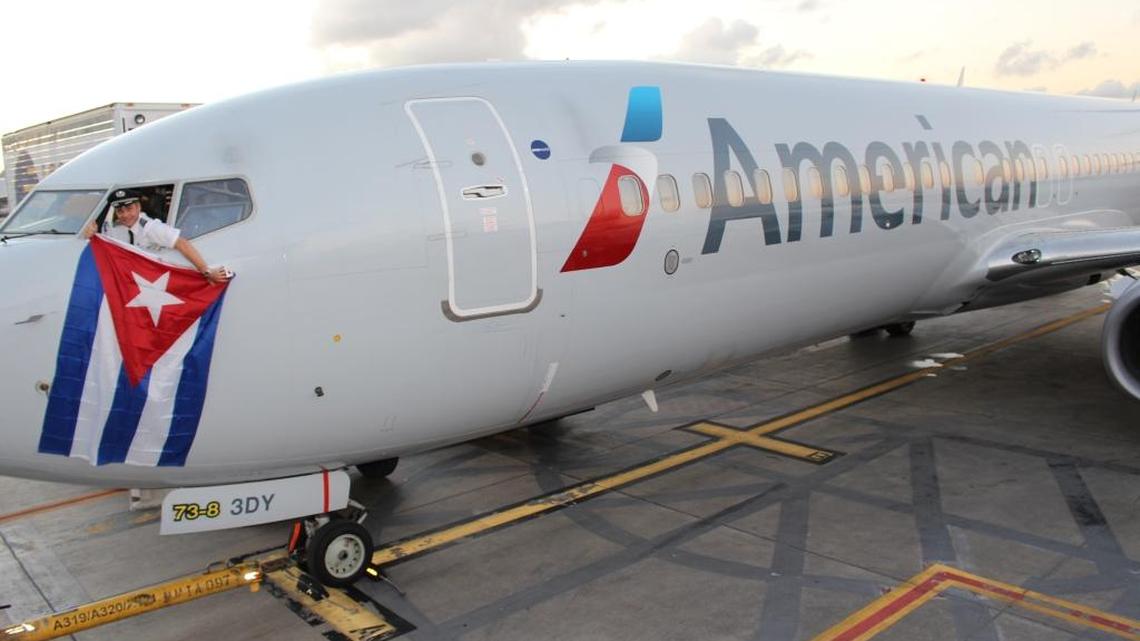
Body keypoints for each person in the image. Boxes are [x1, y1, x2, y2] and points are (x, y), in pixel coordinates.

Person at [83, 189, 230, 284]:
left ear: (138, 207)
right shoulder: (115, 228)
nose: (125, 215)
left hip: (152, 281)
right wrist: (89, 235)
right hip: (131, 281)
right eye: (120, 211)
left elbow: (181, 243)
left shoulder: (150, 227)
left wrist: (206, 271)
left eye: (129, 209)